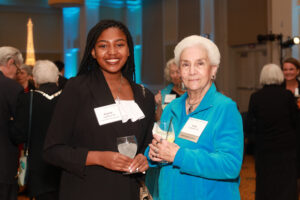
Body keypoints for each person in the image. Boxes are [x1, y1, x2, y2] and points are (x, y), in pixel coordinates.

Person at [43, 19, 155, 200]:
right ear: (93, 52)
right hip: (86, 190)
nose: (112, 52)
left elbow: (147, 145)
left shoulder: (144, 96)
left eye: (119, 44)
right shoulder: (78, 89)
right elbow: (52, 150)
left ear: (128, 50)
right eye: (103, 46)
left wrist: (145, 158)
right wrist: (99, 158)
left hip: (127, 191)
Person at [146, 35, 244, 200]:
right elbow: (162, 145)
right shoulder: (171, 107)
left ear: (213, 69)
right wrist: (153, 154)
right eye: (185, 64)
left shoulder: (225, 108)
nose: (192, 71)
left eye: (200, 63)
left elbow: (230, 165)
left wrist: (179, 156)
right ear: (179, 70)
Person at [10, 60, 62, 200]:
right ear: (57, 78)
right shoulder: (68, 98)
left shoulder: (28, 99)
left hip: (39, 169)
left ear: (35, 79)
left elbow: (18, 135)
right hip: (65, 167)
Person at [246, 63, 299, 200]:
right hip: (286, 148)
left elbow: (250, 124)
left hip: (264, 149)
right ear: (279, 75)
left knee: (265, 183)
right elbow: (296, 121)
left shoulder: (255, 97)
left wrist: (254, 143)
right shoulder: (287, 96)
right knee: (287, 183)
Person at [0, 46, 23, 200]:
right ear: (10, 62)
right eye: (17, 68)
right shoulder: (12, 88)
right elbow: (20, 129)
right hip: (4, 164)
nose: (18, 73)